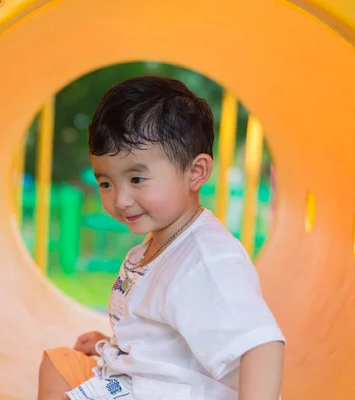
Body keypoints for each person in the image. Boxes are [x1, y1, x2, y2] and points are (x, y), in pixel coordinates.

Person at [38, 76, 285, 399]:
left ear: (195, 172)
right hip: (145, 380)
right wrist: (115, 347)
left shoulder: (207, 261)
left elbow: (262, 344)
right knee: (58, 363)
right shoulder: (158, 244)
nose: (120, 199)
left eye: (137, 178)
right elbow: (160, 336)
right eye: (106, 183)